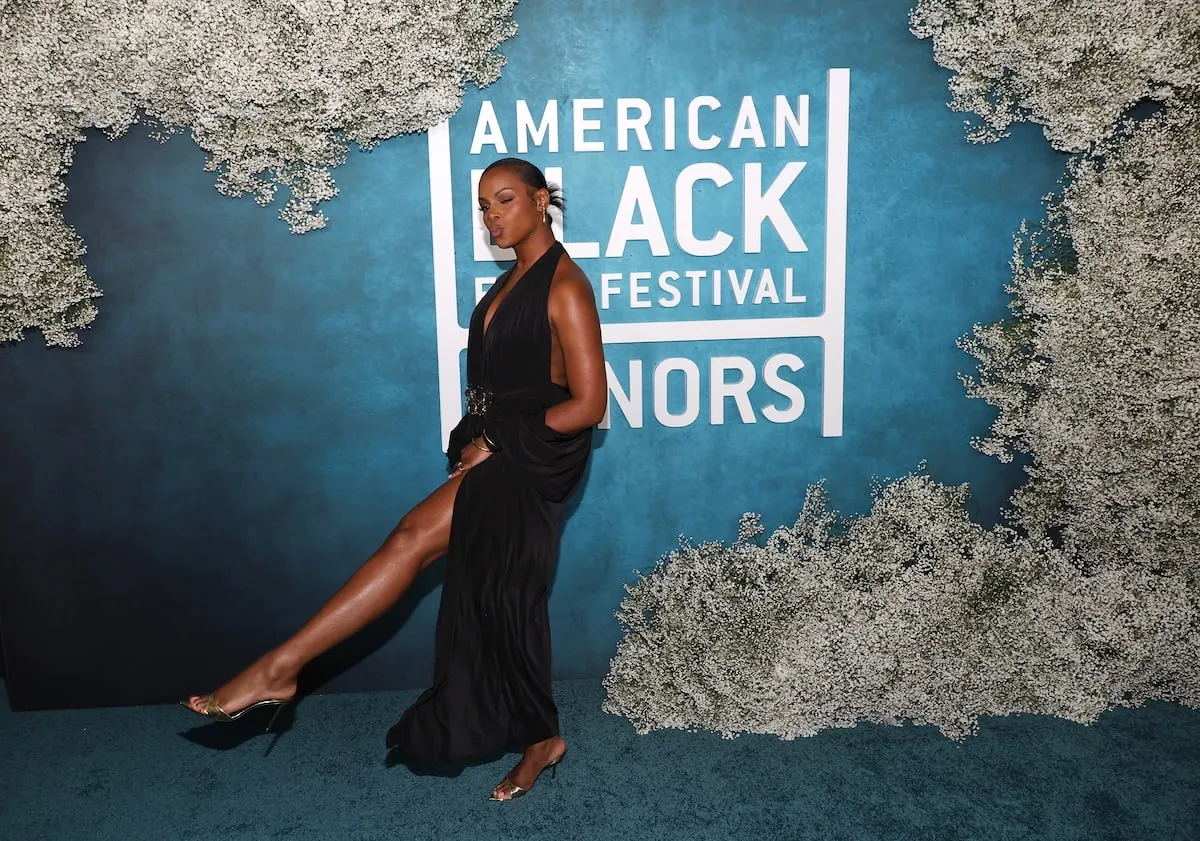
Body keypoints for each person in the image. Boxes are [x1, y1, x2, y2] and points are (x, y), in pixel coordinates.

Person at [183, 157, 607, 801]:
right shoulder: (509, 283)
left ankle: (281, 666)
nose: (493, 215)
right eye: (484, 205)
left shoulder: (565, 286)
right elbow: (502, 387)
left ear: (542, 200)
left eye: (506, 200)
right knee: (503, 608)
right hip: (502, 452)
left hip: (533, 460)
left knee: (415, 542)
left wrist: (494, 439)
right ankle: (543, 740)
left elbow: (588, 404)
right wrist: (476, 434)